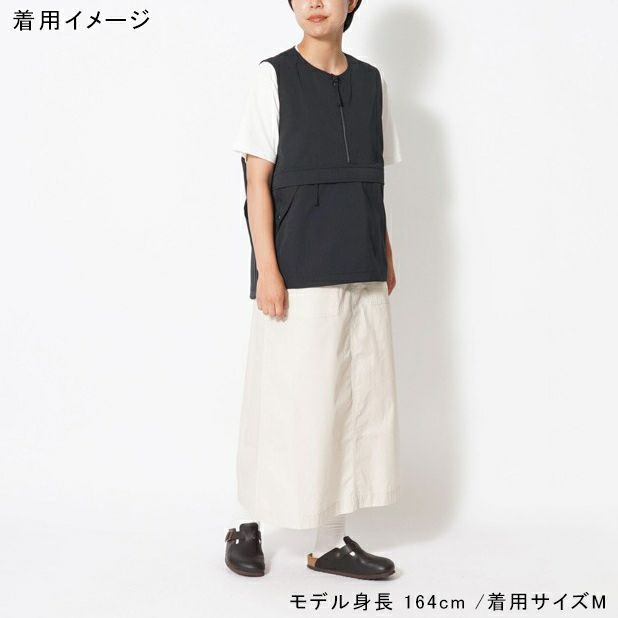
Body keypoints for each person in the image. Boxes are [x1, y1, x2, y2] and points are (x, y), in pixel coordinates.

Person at [225, 0, 403, 580]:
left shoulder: (372, 83)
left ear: (353, 2)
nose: (315, 3)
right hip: (297, 264)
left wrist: (385, 252)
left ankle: (330, 542)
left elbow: (374, 178)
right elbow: (257, 183)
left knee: (351, 401)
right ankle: (246, 524)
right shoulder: (272, 77)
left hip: (359, 262)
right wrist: (268, 270)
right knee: (283, 399)